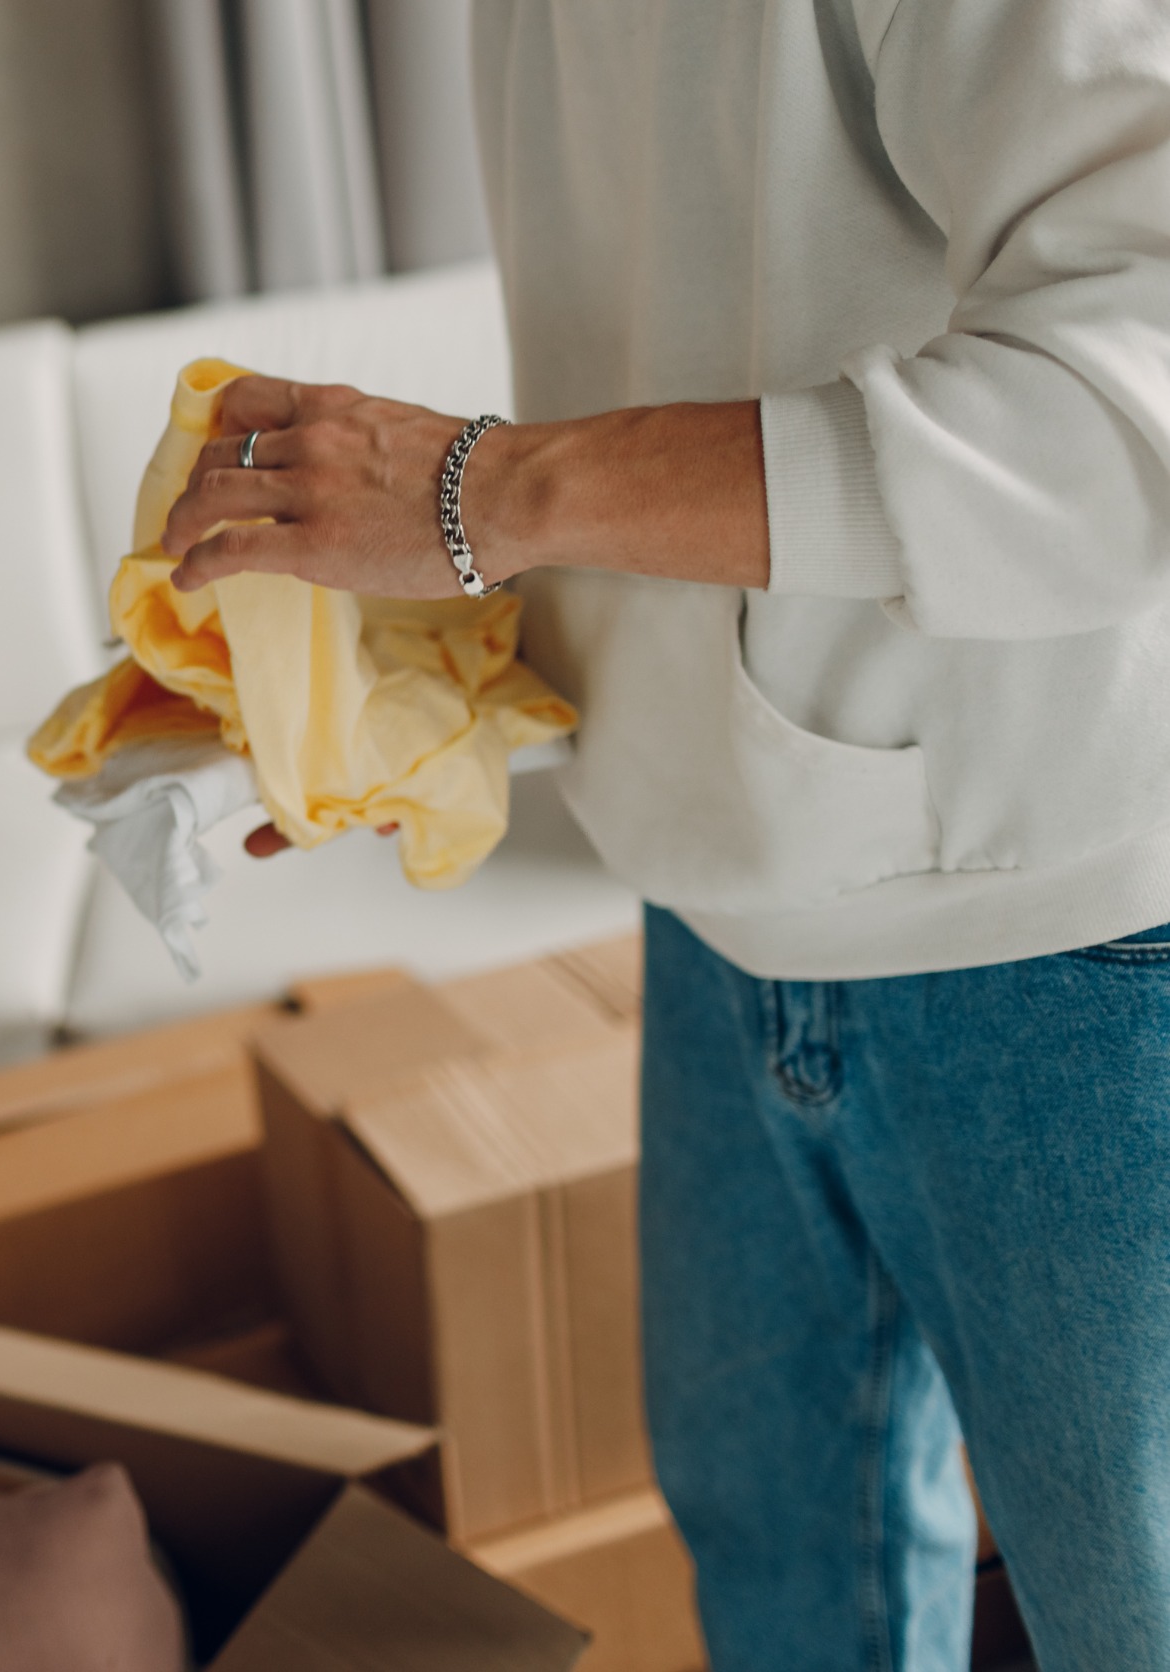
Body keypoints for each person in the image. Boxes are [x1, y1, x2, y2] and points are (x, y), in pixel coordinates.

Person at [160, 7, 1170, 1669]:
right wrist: (398, 700)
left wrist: (493, 490)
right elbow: (680, 349)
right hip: (714, 902)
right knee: (778, 1576)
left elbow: (1133, 426)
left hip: (1065, 930)